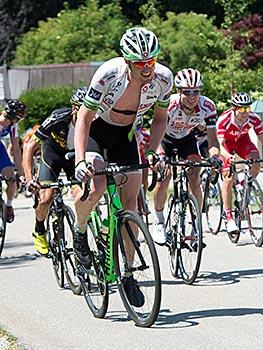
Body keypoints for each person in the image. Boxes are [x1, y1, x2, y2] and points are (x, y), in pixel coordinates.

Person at [73, 27, 173, 306]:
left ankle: (128, 272)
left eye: (151, 61)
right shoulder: (108, 74)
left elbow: (161, 119)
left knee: (131, 204)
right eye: (140, 63)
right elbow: (83, 118)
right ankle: (80, 230)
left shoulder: (164, 78)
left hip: (125, 136)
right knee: (96, 185)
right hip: (96, 131)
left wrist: (152, 151)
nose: (147, 68)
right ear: (127, 62)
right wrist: (81, 160)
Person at [152, 68, 220, 245]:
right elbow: (156, 132)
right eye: (187, 92)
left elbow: (213, 141)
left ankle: (194, 224)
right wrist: (159, 154)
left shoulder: (208, 106)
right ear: (178, 92)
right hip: (164, 139)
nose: (192, 96)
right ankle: (159, 221)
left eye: (196, 91)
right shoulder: (170, 105)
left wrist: (214, 156)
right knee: (164, 177)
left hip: (186, 139)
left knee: (194, 176)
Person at [22, 87, 88, 255]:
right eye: (84, 108)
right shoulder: (59, 117)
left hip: (75, 159)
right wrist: (29, 179)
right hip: (53, 155)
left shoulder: (94, 121)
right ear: (74, 108)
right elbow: (29, 147)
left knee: (84, 195)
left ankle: (83, 234)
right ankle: (39, 229)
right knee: (46, 197)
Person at [216, 92, 263, 235]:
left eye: (247, 109)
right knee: (228, 178)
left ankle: (246, 186)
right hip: (226, 145)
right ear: (234, 108)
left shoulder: (254, 118)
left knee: (256, 160)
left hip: (243, 141)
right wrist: (228, 157)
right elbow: (219, 144)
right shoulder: (224, 119)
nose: (245, 113)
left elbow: (261, 138)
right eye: (241, 109)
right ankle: (229, 216)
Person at [0, 100, 26, 222]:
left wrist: (20, 174)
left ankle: (9, 205)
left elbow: (16, 149)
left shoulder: (13, 126)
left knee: (11, 180)